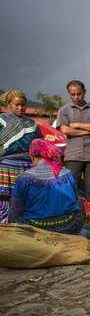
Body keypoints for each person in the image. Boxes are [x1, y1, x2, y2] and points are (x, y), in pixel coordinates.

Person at [9, 139, 84, 235]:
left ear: (32, 158)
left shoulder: (23, 178)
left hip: (37, 229)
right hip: (69, 225)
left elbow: (16, 211)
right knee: (80, 203)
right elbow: (75, 201)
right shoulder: (67, 173)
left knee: (12, 211)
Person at [0, 90, 43, 222]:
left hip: (27, 167)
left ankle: (23, 225)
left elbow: (40, 144)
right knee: (4, 199)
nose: (20, 108)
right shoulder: (2, 120)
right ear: (8, 105)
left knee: (26, 198)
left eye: (23, 105)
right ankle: (5, 226)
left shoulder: (32, 124)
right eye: (16, 105)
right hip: (6, 167)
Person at [57, 80, 90, 202]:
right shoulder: (64, 110)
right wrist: (89, 129)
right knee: (71, 189)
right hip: (73, 155)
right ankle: (73, 218)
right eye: (73, 94)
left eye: (79, 93)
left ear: (84, 92)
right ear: (69, 94)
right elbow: (65, 130)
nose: (76, 97)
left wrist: (76, 124)